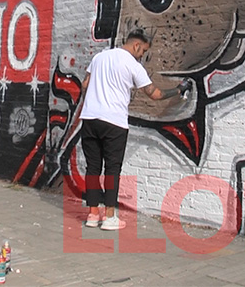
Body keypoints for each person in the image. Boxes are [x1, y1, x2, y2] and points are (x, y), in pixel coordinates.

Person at [80, 28, 191, 230]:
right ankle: (110, 217)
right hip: (114, 122)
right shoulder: (133, 65)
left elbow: (85, 84)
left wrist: (96, 97)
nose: (142, 55)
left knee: (92, 168)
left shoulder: (99, 57)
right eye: (143, 51)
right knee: (112, 169)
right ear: (137, 45)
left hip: (89, 118)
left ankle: (93, 215)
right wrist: (178, 90)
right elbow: (155, 94)